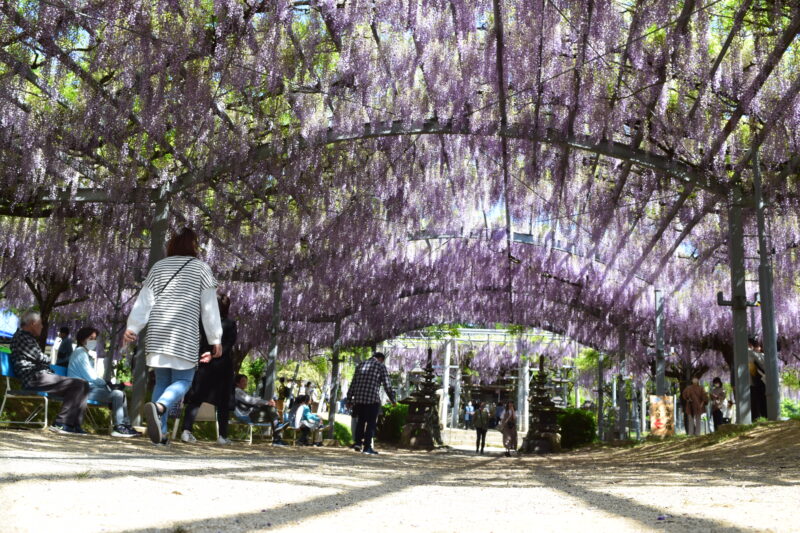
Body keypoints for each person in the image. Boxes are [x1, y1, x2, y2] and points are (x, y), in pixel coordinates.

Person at [123, 227, 223, 445]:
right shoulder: (201, 269)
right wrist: (215, 338)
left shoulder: (159, 266)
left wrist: (133, 327)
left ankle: (161, 433)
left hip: (158, 331)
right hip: (183, 332)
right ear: (193, 246)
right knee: (184, 381)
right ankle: (160, 407)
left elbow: (145, 300)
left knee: (162, 380)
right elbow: (209, 307)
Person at [10, 311, 90, 435]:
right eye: (40, 324)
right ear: (33, 323)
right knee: (77, 384)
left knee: (83, 384)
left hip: (41, 376)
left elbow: (39, 358)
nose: (42, 327)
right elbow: (39, 357)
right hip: (33, 377)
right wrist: (46, 359)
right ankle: (61, 423)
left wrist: (44, 359)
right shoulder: (21, 336)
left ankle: (75, 424)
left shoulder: (29, 338)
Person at [181, 293, 237, 445]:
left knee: (196, 400)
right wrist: (215, 354)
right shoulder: (230, 324)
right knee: (223, 403)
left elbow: (195, 341)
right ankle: (222, 436)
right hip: (223, 367)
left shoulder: (203, 321)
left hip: (205, 365)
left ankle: (186, 431)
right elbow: (228, 345)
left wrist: (203, 354)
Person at [67, 326, 140, 438]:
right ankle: (119, 427)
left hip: (90, 388)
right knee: (117, 394)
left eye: (94, 339)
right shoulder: (80, 353)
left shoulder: (85, 354)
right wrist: (107, 383)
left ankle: (126, 425)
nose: (93, 341)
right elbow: (91, 377)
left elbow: (92, 378)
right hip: (82, 390)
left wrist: (109, 385)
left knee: (121, 393)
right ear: (82, 339)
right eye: (90, 338)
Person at [346, 352, 396, 455]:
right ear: (381, 359)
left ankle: (358, 443)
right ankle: (367, 447)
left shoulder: (360, 365)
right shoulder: (380, 366)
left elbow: (353, 383)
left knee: (360, 421)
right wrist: (392, 399)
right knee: (371, 424)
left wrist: (349, 400)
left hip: (359, 399)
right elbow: (387, 384)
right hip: (372, 399)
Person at [232, 374, 289, 445]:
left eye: (246, 381)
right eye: (243, 381)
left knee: (273, 417)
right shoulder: (237, 391)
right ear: (237, 383)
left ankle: (277, 437)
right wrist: (267, 402)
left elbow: (253, 400)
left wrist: (266, 402)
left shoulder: (240, 391)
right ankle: (277, 437)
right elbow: (250, 400)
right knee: (270, 409)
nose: (245, 383)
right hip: (246, 416)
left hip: (250, 414)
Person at [748, 337, 767, 420]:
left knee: (759, 400)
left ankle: (760, 417)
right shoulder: (755, 354)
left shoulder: (752, 353)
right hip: (760, 381)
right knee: (761, 400)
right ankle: (763, 416)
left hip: (759, 381)